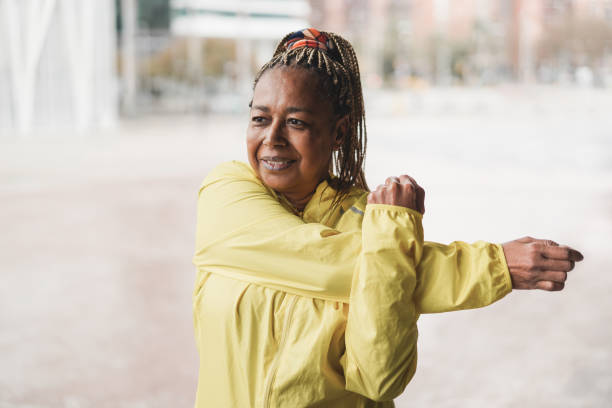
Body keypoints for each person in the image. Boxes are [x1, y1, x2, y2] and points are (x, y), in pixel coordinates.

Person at [192, 28, 583, 407]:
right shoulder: (226, 193)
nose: (272, 138)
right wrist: (494, 265)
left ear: (339, 133)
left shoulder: (374, 226)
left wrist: (394, 241)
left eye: (297, 122)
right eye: (260, 119)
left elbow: (380, 380)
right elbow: (328, 262)